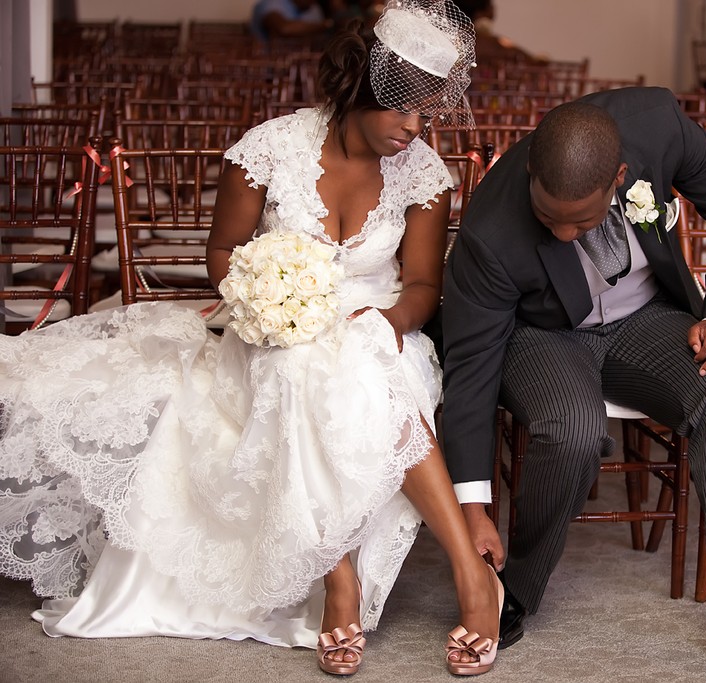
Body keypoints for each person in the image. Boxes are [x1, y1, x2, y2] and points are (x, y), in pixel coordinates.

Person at [0, 0, 503, 676]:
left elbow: (419, 287)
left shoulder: (423, 175)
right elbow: (222, 253)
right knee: (299, 364)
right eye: (401, 109)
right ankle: (341, 577)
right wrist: (265, 298)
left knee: (361, 360)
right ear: (358, 87)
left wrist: (387, 322)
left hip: (381, 330)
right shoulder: (269, 149)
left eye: (427, 113)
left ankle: (463, 576)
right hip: (269, 329)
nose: (414, 128)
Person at [441, 87, 706, 683]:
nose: (564, 235)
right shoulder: (490, 231)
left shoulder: (656, 125)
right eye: (548, 218)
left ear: (620, 177)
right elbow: (470, 370)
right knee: (571, 428)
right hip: (544, 333)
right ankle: (512, 587)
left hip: (645, 317)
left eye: (582, 220)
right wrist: (472, 509)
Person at [251, 0, 334, 43]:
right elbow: (284, 29)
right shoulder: (272, 3)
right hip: (267, 64)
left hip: (303, 64)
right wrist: (326, 25)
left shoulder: (314, 8)